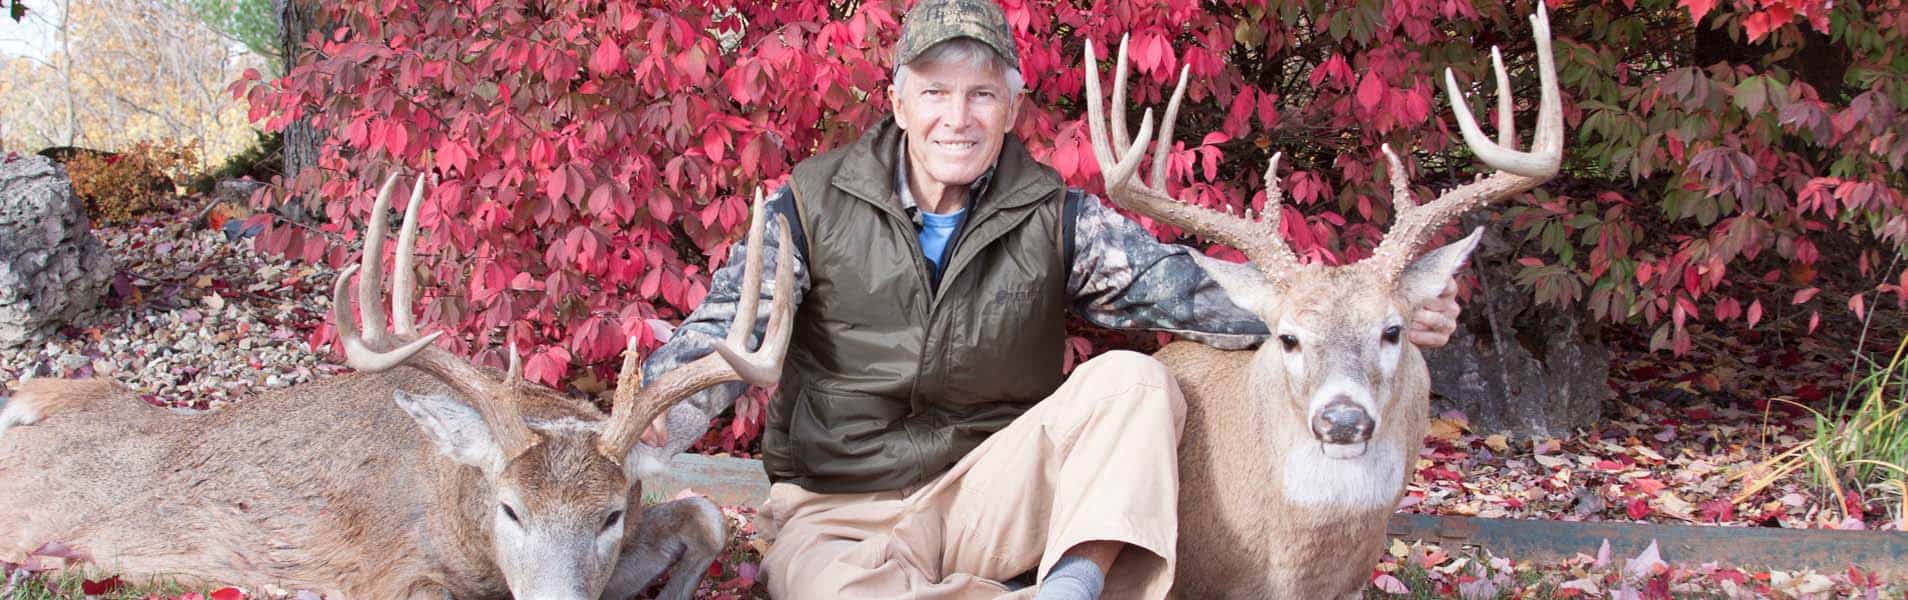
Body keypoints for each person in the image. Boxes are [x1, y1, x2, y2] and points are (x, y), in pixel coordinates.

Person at [631, 1, 1462, 597]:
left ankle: (1071, 585)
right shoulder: (807, 208)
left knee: (1138, 385)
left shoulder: (1057, 219)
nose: (957, 118)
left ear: (1011, 106)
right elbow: (722, 336)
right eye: (935, 92)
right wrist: (662, 414)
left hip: (994, 490)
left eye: (982, 94)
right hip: (838, 507)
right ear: (897, 102)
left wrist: (1362, 314)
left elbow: (1193, 293)